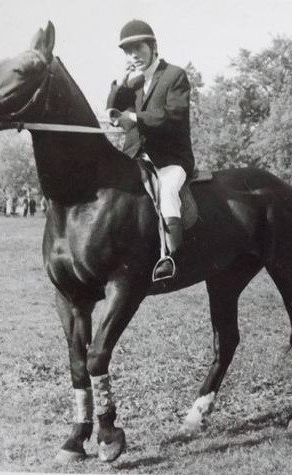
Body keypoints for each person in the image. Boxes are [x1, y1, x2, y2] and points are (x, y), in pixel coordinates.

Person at [106, 19, 195, 281]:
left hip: (170, 158)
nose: (133, 55)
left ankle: (173, 259)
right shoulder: (132, 84)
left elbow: (173, 115)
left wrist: (134, 118)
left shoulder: (175, 75)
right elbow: (112, 109)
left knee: (167, 192)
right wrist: (121, 85)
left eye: (138, 49)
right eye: (128, 51)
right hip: (135, 156)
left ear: (153, 47)